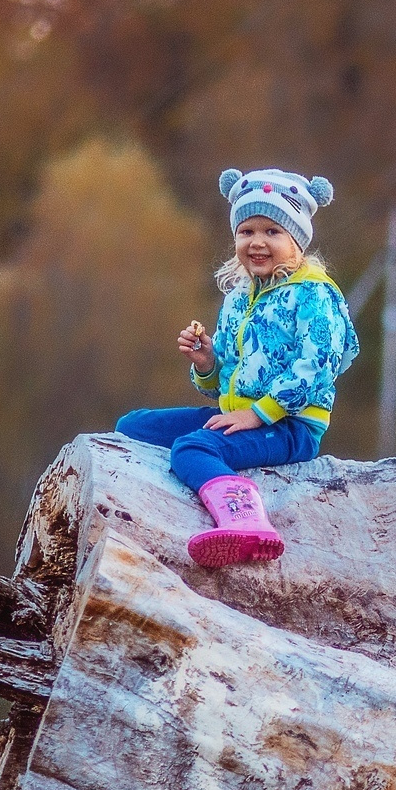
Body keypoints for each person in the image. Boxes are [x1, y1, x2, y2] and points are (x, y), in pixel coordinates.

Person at [116, 169, 359, 567]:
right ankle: (191, 490)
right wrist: (208, 364)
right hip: (240, 415)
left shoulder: (314, 294)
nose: (258, 242)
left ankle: (246, 521)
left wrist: (258, 413)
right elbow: (224, 379)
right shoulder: (239, 297)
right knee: (134, 426)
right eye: (247, 231)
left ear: (296, 239)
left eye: (273, 231)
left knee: (191, 447)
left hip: (290, 426)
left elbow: (319, 366)